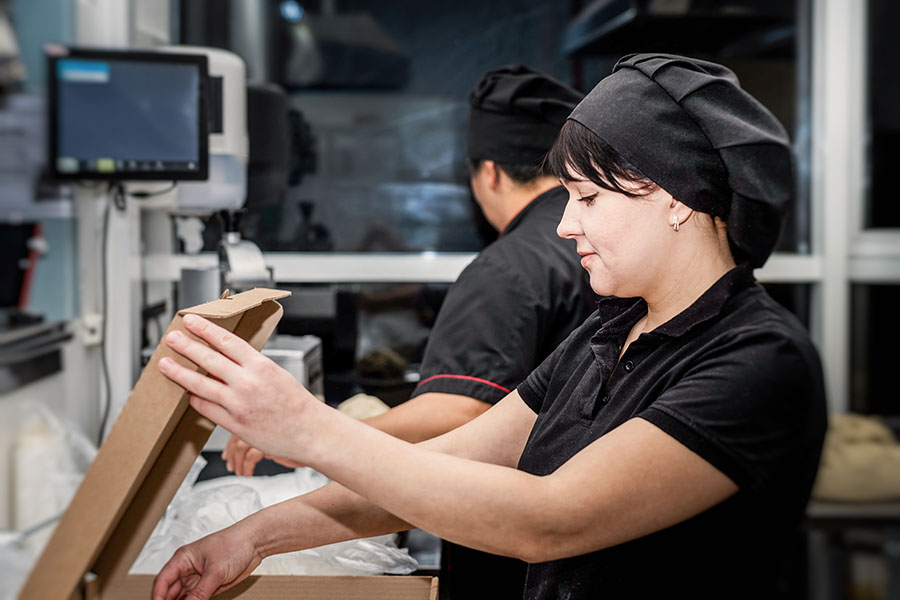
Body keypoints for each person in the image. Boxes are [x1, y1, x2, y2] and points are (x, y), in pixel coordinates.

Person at [154, 54, 827, 600]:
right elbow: (431, 471)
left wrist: (307, 429)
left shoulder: (758, 362)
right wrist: (250, 538)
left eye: (588, 199)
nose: (566, 225)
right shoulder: (607, 334)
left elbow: (551, 519)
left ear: (675, 197)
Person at [221, 65, 595, 600]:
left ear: (488, 172)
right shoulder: (594, 248)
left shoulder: (508, 267)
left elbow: (458, 411)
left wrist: (309, 434)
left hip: (512, 554)